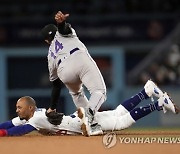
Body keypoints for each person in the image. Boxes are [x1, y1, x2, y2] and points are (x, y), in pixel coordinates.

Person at [0, 80, 179, 137]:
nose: (17, 110)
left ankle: (158, 103)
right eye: (16, 108)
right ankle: (147, 91)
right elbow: (10, 123)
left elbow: (21, 130)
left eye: (19, 107)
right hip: (78, 119)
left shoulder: (36, 119)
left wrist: (4, 134)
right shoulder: (32, 115)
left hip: (81, 123)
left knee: (121, 122)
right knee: (118, 112)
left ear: (30, 108)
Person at [41, 11, 107, 126]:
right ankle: (88, 115)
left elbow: (56, 85)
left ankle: (93, 125)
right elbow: (64, 30)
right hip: (78, 58)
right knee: (99, 91)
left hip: (64, 72)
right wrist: (61, 23)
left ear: (46, 41)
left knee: (76, 94)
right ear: (56, 31)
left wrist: (52, 107)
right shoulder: (60, 33)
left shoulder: (50, 56)